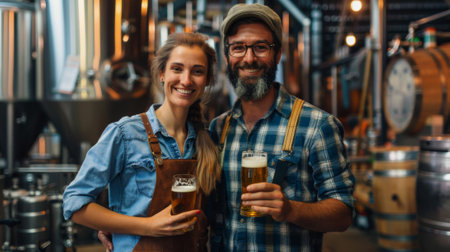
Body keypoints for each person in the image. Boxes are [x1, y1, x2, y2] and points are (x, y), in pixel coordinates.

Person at [207, 3, 355, 252]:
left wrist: (291, 209)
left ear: (277, 55)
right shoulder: (218, 128)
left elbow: (343, 213)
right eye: (238, 48)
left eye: (261, 47)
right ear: (227, 56)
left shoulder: (317, 126)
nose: (249, 58)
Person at [62, 32, 221, 252]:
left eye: (197, 71)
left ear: (206, 81)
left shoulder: (207, 141)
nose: (186, 80)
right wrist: (146, 226)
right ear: (162, 73)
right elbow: (74, 203)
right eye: (177, 68)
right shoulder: (125, 134)